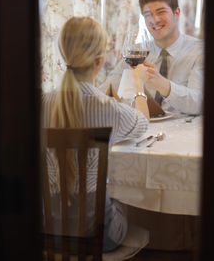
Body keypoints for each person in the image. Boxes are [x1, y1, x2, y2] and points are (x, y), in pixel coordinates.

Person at [41, 17, 150, 252]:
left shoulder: (41, 103)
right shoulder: (110, 109)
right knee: (126, 197)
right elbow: (144, 124)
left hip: (47, 229)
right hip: (100, 236)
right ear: (99, 62)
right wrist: (139, 85)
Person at [100, 0, 204, 115]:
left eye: (161, 12)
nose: (154, 20)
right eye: (148, 14)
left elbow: (199, 104)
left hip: (184, 131)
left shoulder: (199, 51)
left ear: (176, 13)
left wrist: (162, 84)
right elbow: (106, 88)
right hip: (142, 129)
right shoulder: (137, 52)